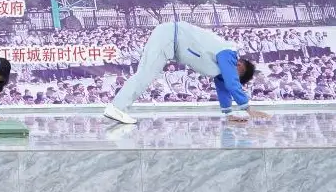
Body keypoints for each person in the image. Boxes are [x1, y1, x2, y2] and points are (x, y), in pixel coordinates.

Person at [104, 21, 270, 124]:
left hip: (171, 41)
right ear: (240, 65)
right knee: (145, 74)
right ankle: (117, 107)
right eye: (238, 75)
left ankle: (118, 107)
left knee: (146, 74)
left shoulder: (221, 65)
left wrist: (228, 113)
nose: (233, 77)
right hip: (169, 37)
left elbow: (223, 86)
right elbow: (231, 83)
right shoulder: (228, 53)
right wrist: (248, 109)